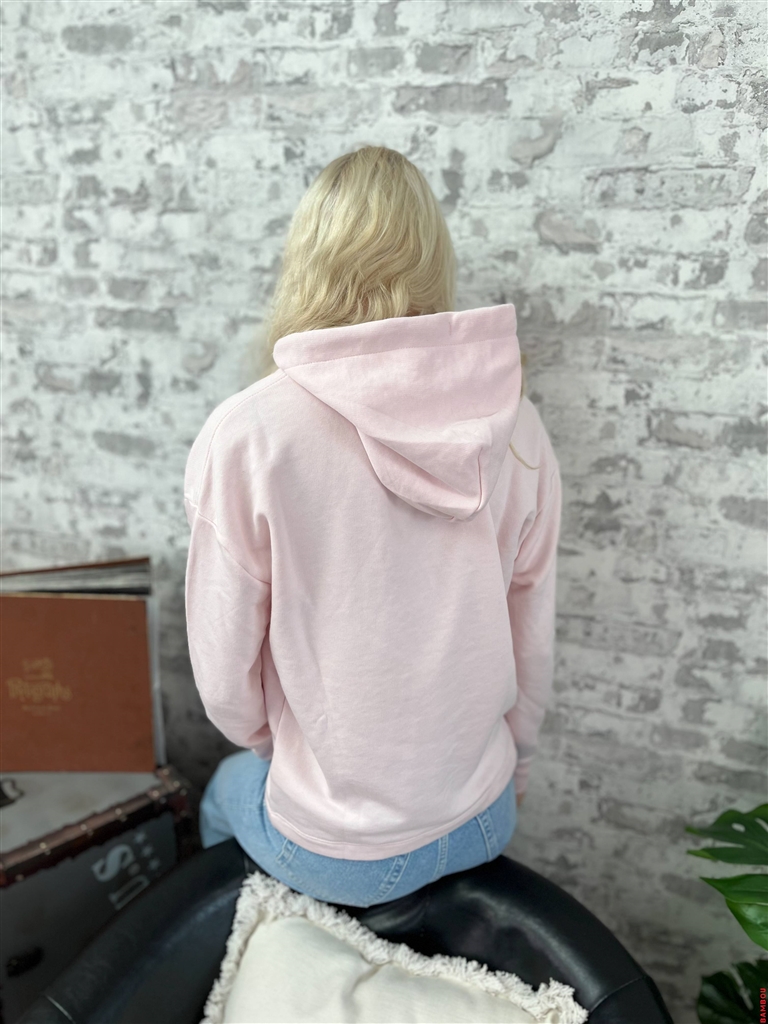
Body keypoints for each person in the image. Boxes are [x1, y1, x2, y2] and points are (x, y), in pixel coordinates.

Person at [184, 145, 562, 908]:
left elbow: (225, 682)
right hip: (486, 817)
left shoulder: (251, 434)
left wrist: (279, 747)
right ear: (434, 260)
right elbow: (533, 639)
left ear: (309, 259)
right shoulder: (518, 425)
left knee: (225, 790)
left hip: (341, 850)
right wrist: (516, 763)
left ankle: (270, 937)